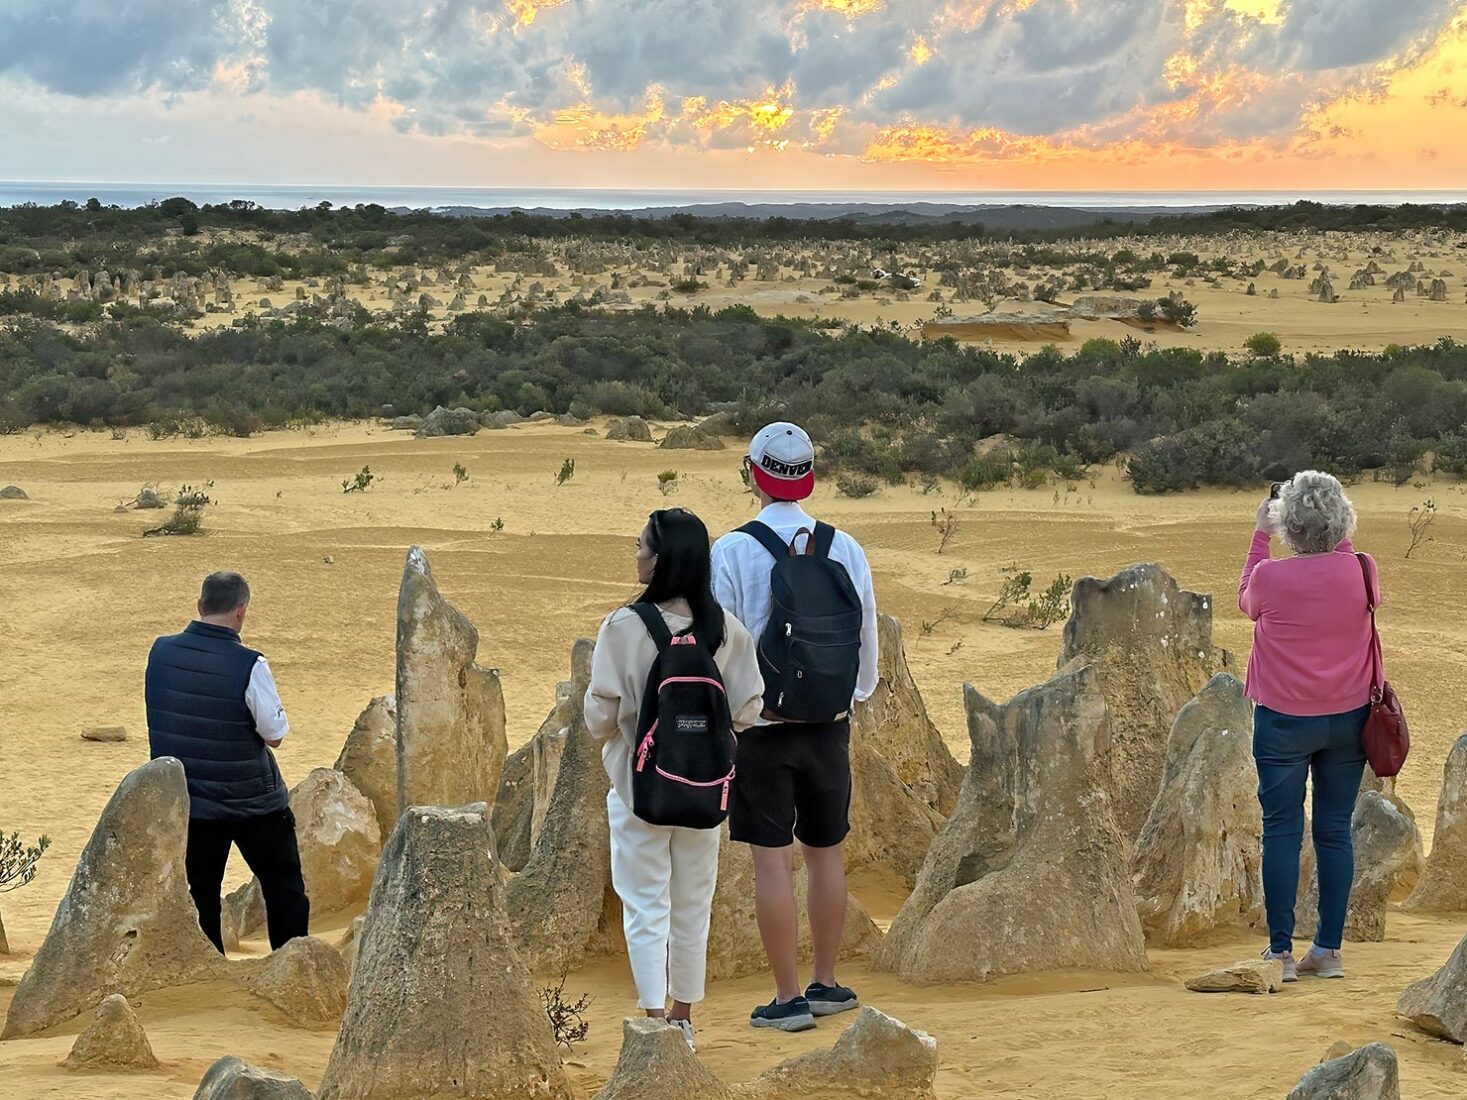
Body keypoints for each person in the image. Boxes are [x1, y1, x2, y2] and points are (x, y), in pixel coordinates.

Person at [711, 422, 878, 1032]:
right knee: (827, 853)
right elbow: (866, 645)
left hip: (762, 727)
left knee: (771, 862)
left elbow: (721, 643)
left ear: (753, 474)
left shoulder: (729, 551)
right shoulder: (847, 548)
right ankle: (827, 983)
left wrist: (734, 715)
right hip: (829, 727)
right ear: (808, 475)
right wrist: (847, 702)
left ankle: (786, 999)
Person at [585, 509, 764, 1052]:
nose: (636, 555)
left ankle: (652, 1018)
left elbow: (598, 718)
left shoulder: (623, 627)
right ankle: (684, 1021)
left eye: (641, 546)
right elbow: (750, 707)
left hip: (639, 789)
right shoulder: (724, 629)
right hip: (705, 792)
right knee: (692, 904)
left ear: (661, 560)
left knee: (645, 905)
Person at [1240, 471, 1378, 983]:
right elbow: (1342, 561)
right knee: (1334, 831)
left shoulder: (1271, 577)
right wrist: (1329, 531)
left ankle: (1279, 952)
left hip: (1282, 720)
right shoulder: (1363, 569)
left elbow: (1245, 601)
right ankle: (1328, 951)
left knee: (1280, 829)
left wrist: (1260, 534)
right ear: (1342, 520)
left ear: (1287, 525)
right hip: (1348, 719)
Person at [145, 571, 308, 954]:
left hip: (190, 801)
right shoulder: (250, 664)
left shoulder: (161, 652)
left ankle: (209, 972)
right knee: (284, 886)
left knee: (201, 892)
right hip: (251, 800)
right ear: (241, 611)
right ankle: (292, 966)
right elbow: (275, 734)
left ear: (200, 606)